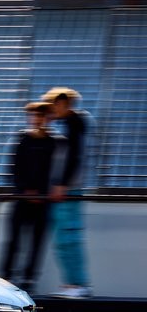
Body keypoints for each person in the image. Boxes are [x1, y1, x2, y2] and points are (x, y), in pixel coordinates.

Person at [41, 87, 92, 298]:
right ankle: (72, 284)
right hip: (65, 190)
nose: (52, 110)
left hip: (69, 190)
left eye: (54, 105)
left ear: (63, 103)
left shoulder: (75, 125)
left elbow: (74, 157)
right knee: (63, 240)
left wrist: (62, 184)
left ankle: (78, 284)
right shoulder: (70, 125)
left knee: (68, 239)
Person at [1, 102, 55, 293]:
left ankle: (29, 279)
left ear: (47, 118)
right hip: (21, 200)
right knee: (13, 240)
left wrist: (42, 193)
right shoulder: (23, 140)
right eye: (34, 116)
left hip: (43, 202)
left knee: (36, 244)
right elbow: (14, 169)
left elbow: (54, 172)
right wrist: (25, 191)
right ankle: (6, 277)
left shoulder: (53, 142)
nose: (38, 119)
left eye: (41, 116)